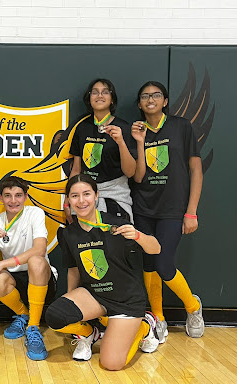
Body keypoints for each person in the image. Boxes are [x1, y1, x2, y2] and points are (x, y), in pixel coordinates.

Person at [45, 174, 162, 370]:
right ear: (68, 200)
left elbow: (156, 249)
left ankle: (145, 326)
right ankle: (89, 333)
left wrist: (139, 236)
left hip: (127, 301)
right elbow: (73, 270)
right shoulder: (68, 233)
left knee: (111, 364)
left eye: (86, 194)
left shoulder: (116, 224)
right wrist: (70, 300)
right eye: (74, 196)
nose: (81, 201)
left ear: (96, 195)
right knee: (55, 316)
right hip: (95, 295)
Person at [130, 81, 204, 342]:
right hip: (143, 208)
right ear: (139, 104)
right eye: (145, 96)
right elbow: (137, 176)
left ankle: (193, 307)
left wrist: (191, 211)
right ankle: (158, 317)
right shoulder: (136, 131)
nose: (151, 99)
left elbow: (196, 169)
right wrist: (138, 141)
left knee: (163, 264)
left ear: (165, 101)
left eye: (156, 95)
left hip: (173, 209)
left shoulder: (182, 127)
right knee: (149, 265)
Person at [0, 176, 57, 361]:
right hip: (16, 282)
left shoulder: (34, 213)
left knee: (36, 261)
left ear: (25, 197)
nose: (13, 201)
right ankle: (23, 315)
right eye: (8, 195)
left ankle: (33, 327)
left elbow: (39, 249)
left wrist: (3, 263)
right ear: (0, 198)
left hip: (41, 279)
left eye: (18, 195)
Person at [67, 78, 137, 223]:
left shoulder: (123, 128)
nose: (100, 96)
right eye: (95, 92)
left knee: (113, 244)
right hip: (85, 196)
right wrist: (68, 198)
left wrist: (121, 142)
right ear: (89, 98)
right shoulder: (82, 127)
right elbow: (76, 169)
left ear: (112, 99)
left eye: (105, 92)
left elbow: (130, 172)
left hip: (114, 195)